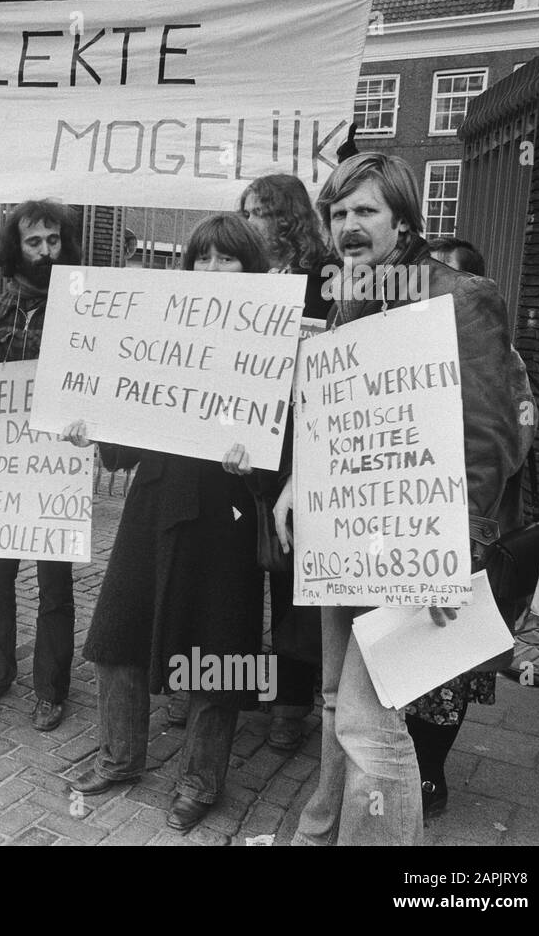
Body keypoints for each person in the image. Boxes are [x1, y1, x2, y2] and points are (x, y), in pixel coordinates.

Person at [274, 153, 531, 845]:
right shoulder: (347, 296)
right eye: (339, 213)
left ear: (403, 218)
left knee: (367, 714)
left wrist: (454, 555)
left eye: (366, 211)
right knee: (335, 701)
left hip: (414, 541)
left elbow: (490, 435)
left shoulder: (459, 295)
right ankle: (319, 831)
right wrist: (302, 482)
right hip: (346, 537)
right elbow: (338, 416)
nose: (350, 226)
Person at [65, 213, 268, 833]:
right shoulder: (162, 328)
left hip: (224, 518)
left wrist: (253, 462)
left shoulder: (271, 342)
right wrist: (94, 429)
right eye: (200, 259)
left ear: (249, 270)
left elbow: (284, 447)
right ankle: (120, 755)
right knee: (117, 632)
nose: (211, 271)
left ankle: (201, 779)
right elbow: (127, 437)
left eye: (225, 259)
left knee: (217, 649)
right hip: (153, 503)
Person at [0, 199, 82, 732]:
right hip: (7, 458)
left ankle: (52, 688)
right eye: (34, 242)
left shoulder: (81, 302)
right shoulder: (3, 302)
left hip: (56, 460)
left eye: (53, 241)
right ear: (17, 246)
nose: (45, 251)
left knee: (54, 581)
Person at [405, 235, 500, 818]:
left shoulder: (492, 359)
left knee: (446, 657)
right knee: (403, 641)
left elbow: (505, 441)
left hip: (458, 525)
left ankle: (430, 771)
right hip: (401, 522)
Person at [237, 173, 333, 750]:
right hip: (253, 448)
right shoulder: (244, 279)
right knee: (251, 567)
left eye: (258, 213)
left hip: (303, 447)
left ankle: (293, 705)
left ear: (287, 218)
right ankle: (244, 687)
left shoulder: (324, 281)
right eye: (244, 212)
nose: (248, 222)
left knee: (296, 578)